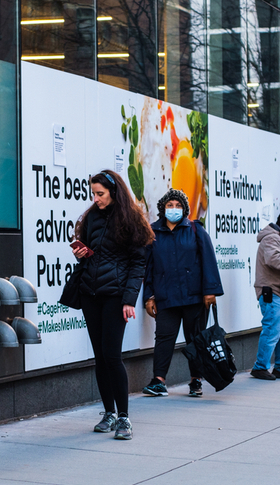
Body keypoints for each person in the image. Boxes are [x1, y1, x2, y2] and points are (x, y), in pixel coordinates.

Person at [71, 170, 154, 440]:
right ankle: (108, 413)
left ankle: (124, 418)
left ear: (114, 192)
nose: (96, 199)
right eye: (93, 194)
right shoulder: (91, 218)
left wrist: (129, 300)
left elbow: (138, 263)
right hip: (90, 294)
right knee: (100, 357)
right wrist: (80, 253)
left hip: (116, 296)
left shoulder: (130, 220)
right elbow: (90, 255)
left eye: (101, 194)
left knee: (112, 356)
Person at [142, 188, 223, 397]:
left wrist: (210, 291)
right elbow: (147, 267)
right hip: (165, 296)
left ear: (184, 209)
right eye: (170, 205)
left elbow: (208, 261)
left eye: (178, 206)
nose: (174, 209)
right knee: (163, 337)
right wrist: (149, 296)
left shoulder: (195, 230)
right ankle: (158, 381)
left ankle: (196, 380)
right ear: (163, 208)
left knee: (195, 338)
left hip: (194, 296)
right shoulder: (152, 233)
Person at [250, 214, 280, 380]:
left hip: (276, 291)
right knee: (272, 329)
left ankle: (279, 368)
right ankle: (260, 367)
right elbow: (273, 259)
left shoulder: (276, 238)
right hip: (271, 292)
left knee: (278, 330)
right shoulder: (271, 238)